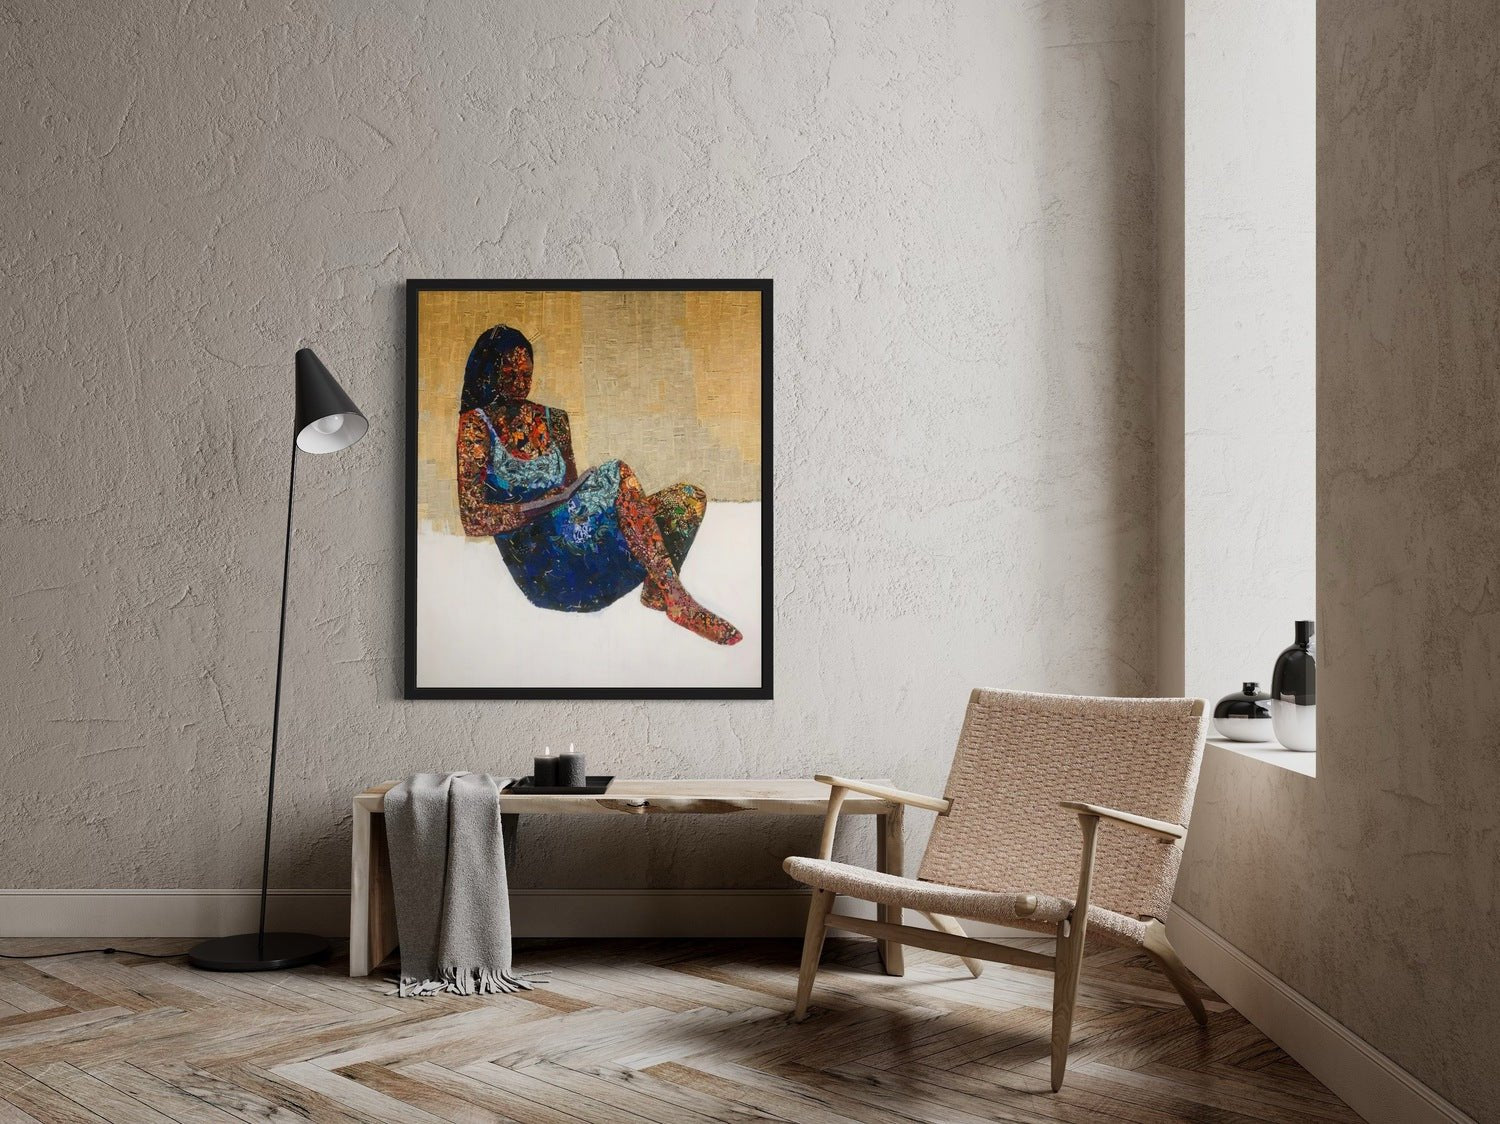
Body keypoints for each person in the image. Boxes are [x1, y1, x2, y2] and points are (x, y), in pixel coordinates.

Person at [456, 324, 741, 645]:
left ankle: (657, 591)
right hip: (547, 574)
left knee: (688, 499)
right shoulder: (475, 426)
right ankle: (679, 600)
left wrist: (580, 493)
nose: (519, 384)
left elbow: (572, 503)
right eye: (509, 374)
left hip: (583, 548)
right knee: (616, 471)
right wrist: (549, 502)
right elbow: (473, 520)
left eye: (526, 374)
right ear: (489, 375)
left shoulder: (554, 420)